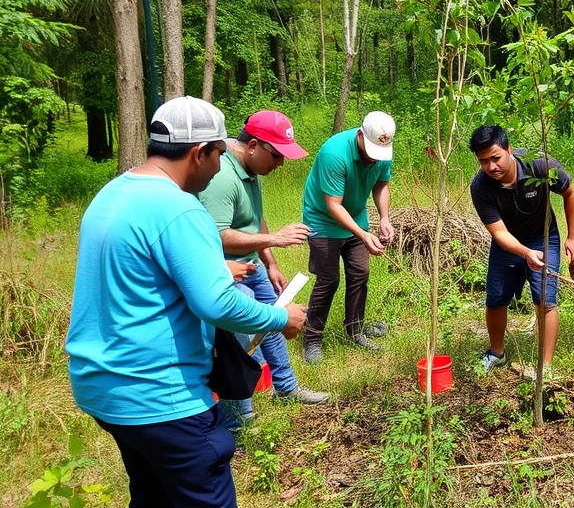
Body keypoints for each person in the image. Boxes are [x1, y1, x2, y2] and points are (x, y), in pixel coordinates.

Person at [65, 96, 307, 507]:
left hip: (102, 389)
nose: (219, 167)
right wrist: (279, 317)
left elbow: (144, 275)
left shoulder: (112, 193)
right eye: (218, 155)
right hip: (160, 395)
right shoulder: (180, 208)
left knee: (153, 495)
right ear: (199, 153)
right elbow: (217, 304)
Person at [198, 110, 329, 431]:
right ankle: (239, 417)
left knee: (273, 323)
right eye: (277, 155)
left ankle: (286, 388)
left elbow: (255, 220)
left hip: (252, 266)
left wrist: (270, 262)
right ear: (254, 145)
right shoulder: (222, 177)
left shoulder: (250, 168)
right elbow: (217, 235)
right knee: (240, 339)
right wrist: (274, 239)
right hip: (227, 272)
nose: (280, 164)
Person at [468, 125, 574, 377]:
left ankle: (545, 367)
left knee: (545, 301)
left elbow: (570, 192)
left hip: (543, 236)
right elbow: (499, 233)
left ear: (509, 150)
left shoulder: (539, 165)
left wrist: (573, 237)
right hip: (508, 243)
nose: (491, 166)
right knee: (496, 299)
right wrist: (525, 252)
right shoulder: (480, 187)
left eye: (496, 157)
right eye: (483, 161)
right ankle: (497, 353)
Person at [301, 111, 395, 362]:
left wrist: (384, 218)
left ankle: (355, 330)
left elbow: (381, 184)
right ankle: (312, 339)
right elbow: (333, 205)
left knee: (360, 273)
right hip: (323, 220)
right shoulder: (334, 154)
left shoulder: (383, 149)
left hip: (356, 215)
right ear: (360, 135)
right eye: (371, 152)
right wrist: (364, 234)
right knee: (328, 279)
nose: (375, 158)